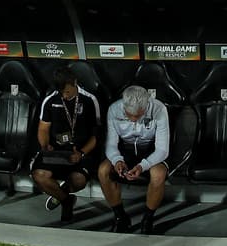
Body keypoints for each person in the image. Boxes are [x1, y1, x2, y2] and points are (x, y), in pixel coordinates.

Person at [30, 68, 102, 224]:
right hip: (57, 151)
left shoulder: (90, 100)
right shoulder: (50, 100)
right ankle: (66, 200)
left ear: (75, 83)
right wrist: (45, 145)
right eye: (61, 92)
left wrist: (82, 153)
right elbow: (43, 128)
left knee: (78, 180)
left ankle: (61, 193)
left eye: (67, 92)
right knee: (39, 176)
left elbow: (96, 136)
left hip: (81, 152)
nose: (64, 96)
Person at [97, 86, 170, 235]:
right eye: (129, 115)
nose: (132, 119)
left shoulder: (159, 109)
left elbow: (162, 150)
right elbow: (111, 144)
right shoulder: (114, 109)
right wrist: (117, 160)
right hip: (125, 149)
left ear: (146, 106)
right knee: (103, 171)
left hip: (151, 149)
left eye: (137, 116)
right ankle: (120, 217)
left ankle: (148, 218)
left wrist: (142, 166)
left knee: (158, 174)